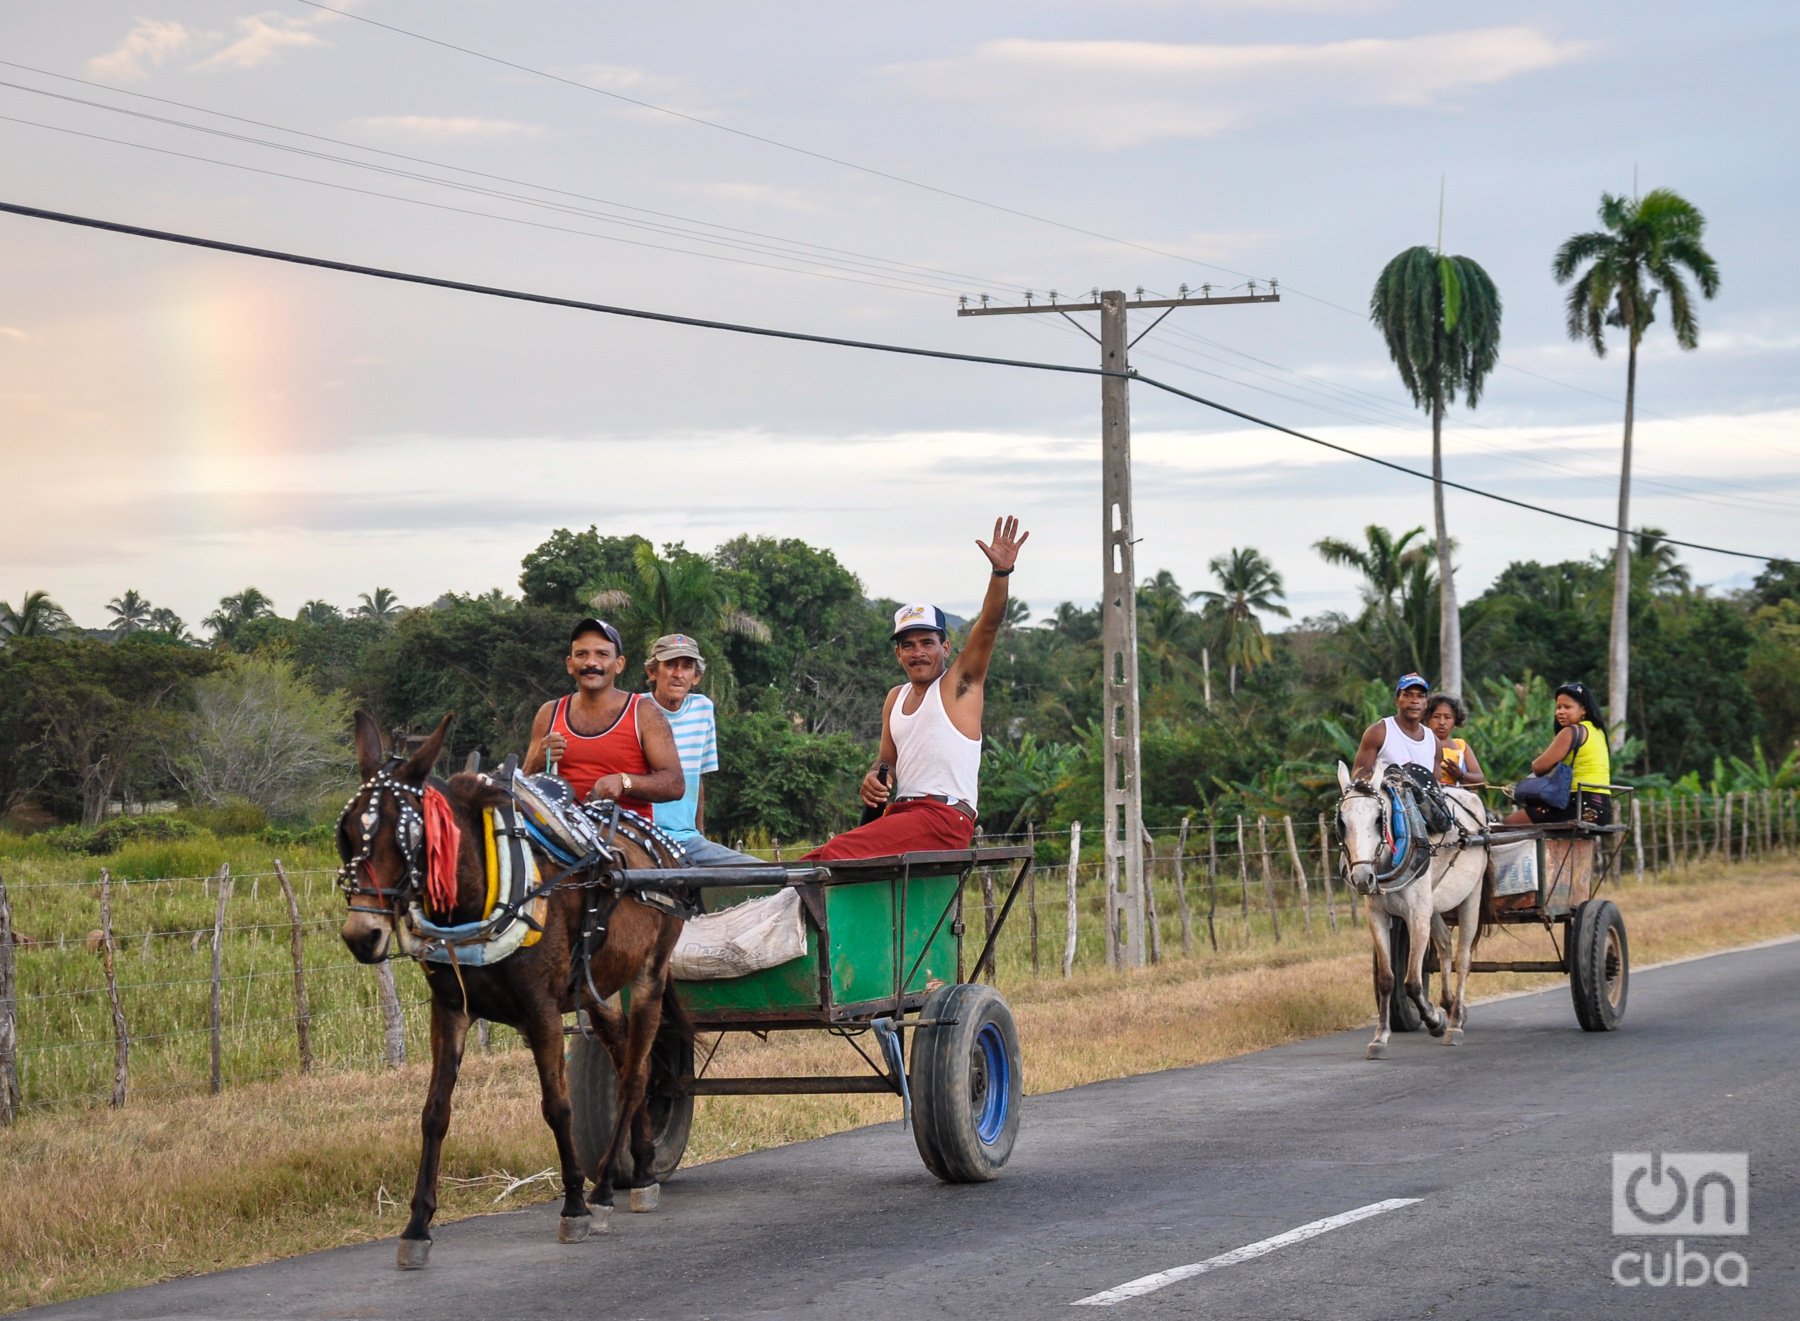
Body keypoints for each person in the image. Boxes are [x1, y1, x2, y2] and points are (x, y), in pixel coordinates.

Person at [803, 515, 1029, 862]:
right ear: (898, 653)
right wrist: (875, 778)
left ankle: (766, 905)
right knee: (823, 855)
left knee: (835, 854)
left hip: (943, 819)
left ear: (946, 648)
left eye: (927, 642)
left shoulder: (958, 687)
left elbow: (989, 625)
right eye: (908, 645)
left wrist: (1001, 574)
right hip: (903, 817)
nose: (918, 652)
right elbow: (887, 761)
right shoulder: (895, 697)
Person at [523, 618, 685, 816]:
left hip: (625, 835)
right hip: (561, 834)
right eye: (581, 654)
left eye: (602, 654)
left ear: (619, 664)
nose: (591, 662)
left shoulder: (643, 712)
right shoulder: (549, 713)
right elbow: (522, 787)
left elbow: (675, 783)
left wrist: (624, 782)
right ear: (570, 664)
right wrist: (537, 760)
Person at [641, 632, 760, 864]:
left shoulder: (702, 709)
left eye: (686, 667)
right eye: (670, 665)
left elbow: (698, 779)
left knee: (767, 875)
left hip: (688, 840)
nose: (678, 674)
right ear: (652, 672)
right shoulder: (636, 709)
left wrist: (700, 835)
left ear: (696, 677)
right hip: (644, 836)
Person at [1503, 680, 1613, 827]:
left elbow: (1538, 767)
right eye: (1558, 707)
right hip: (1601, 807)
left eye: (1567, 707)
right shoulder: (1597, 731)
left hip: (1577, 805)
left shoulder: (1572, 731)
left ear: (1583, 710)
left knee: (1509, 822)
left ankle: (1534, 851)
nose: (1560, 712)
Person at [1350, 673, 1442, 783]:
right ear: (1397, 701)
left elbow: (1436, 784)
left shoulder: (1433, 741)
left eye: (1420, 696)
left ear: (1426, 703)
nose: (1414, 701)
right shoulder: (1379, 732)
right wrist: (1386, 787)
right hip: (1384, 798)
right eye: (1407, 695)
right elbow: (1359, 774)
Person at [1425, 692, 1485, 789]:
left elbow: (1480, 780)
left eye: (1447, 717)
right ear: (1427, 719)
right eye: (1436, 717)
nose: (1441, 722)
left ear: (1455, 721)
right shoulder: (1420, 743)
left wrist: (1461, 775)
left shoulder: (1460, 746)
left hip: (1456, 797)